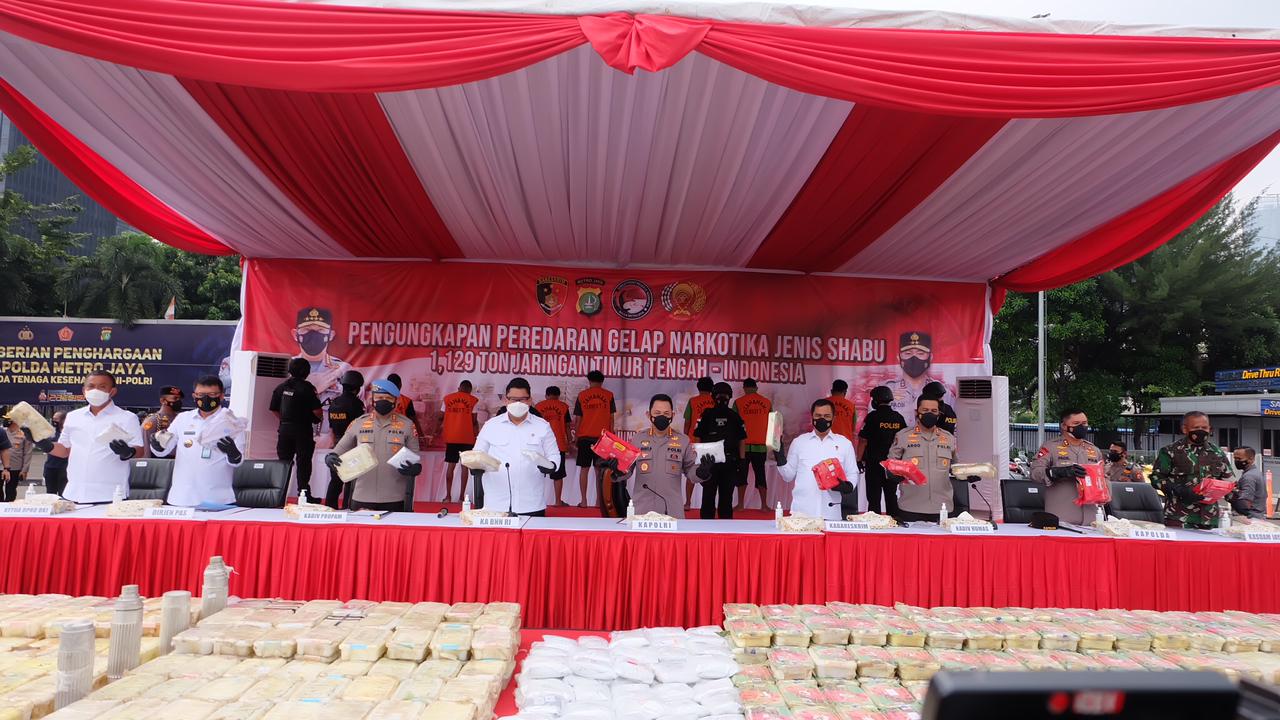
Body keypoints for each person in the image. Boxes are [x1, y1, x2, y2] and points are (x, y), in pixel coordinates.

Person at [38, 371, 143, 503]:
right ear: (84, 390)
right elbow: (65, 450)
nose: (95, 390)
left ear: (112, 391)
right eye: (91, 386)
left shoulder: (127, 418)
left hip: (110, 494)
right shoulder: (73, 417)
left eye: (102, 387)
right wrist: (45, 444)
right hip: (74, 493)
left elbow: (140, 451)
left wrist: (128, 452)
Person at [325, 379, 423, 512]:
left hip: (394, 497)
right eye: (379, 398)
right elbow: (339, 449)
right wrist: (330, 457)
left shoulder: (407, 425)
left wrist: (416, 468)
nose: (383, 401)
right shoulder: (359, 423)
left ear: (396, 401)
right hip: (362, 495)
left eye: (388, 398)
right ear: (372, 400)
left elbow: (415, 456)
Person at [149, 375, 244, 507]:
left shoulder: (232, 422)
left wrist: (233, 453)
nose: (206, 398)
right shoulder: (183, 419)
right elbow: (164, 449)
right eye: (201, 395)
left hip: (217, 498)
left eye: (212, 394)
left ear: (221, 396)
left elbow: (238, 461)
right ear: (194, 396)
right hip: (182, 498)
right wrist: (157, 446)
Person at [469, 378, 559, 516]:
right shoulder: (491, 426)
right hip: (496, 503)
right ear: (506, 400)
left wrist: (551, 466)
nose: (517, 403)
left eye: (522, 399)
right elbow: (478, 453)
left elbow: (554, 455)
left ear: (530, 400)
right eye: (513, 399)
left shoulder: (542, 426)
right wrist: (476, 466)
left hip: (531, 503)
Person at [610, 394, 699, 516]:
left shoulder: (683, 441)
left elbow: (691, 472)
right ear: (648, 415)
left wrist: (701, 472)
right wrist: (618, 470)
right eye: (657, 413)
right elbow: (627, 470)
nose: (661, 417)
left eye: (666, 413)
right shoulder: (637, 439)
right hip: (642, 512)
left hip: (672, 512)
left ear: (672, 415)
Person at [1151, 411, 1235, 529]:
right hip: (1178, 516)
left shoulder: (1217, 453)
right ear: (1185, 429)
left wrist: (1239, 502)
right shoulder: (1170, 451)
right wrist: (1179, 490)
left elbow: (1229, 482)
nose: (1201, 431)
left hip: (1209, 518)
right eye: (1196, 427)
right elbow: (1156, 478)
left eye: (1204, 428)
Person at [777, 398, 859, 520]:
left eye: (827, 416)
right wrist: (779, 455)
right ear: (812, 417)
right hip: (802, 513)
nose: (822, 419)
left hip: (831, 513)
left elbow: (852, 473)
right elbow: (788, 475)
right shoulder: (799, 442)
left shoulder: (844, 444)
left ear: (833, 418)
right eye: (818, 415)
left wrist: (848, 486)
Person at [887, 397, 958, 522]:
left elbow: (956, 467)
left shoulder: (948, 438)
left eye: (934, 411)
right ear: (917, 412)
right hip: (910, 507)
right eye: (925, 410)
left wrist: (968, 474)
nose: (929, 414)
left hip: (942, 508)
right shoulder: (903, 436)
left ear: (939, 414)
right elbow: (890, 464)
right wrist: (892, 473)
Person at [1029, 408, 1104, 526]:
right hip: (1062, 515)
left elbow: (1104, 478)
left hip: (1091, 518)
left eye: (1084, 423)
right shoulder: (1050, 447)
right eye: (1076, 423)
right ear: (1064, 426)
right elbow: (1035, 473)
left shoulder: (1094, 450)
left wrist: (1105, 494)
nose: (1082, 427)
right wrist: (1057, 472)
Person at [693, 382, 747, 519]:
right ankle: (706, 526)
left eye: (725, 396)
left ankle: (726, 527)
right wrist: (698, 458)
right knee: (708, 497)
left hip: (730, 463)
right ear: (713, 397)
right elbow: (697, 436)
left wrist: (742, 460)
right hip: (709, 463)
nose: (722, 399)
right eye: (719, 396)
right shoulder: (706, 414)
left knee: (726, 499)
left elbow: (742, 439)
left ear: (730, 397)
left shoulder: (735, 416)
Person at [270, 357, 322, 498]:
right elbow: (317, 411)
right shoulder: (308, 388)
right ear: (307, 372)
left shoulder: (281, 387)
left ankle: (279, 494)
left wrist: (285, 420)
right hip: (303, 430)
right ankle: (303, 495)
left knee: (283, 463)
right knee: (303, 463)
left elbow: (273, 409)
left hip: (284, 430)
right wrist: (316, 418)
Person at [858, 386, 907, 515]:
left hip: (874, 464)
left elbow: (863, 440)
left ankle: (875, 523)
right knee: (891, 496)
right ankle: (895, 522)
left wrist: (858, 460)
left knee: (873, 497)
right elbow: (905, 441)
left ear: (875, 400)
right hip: (892, 465)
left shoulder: (872, 417)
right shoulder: (898, 418)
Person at [573, 370, 615, 509]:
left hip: (584, 437)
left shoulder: (582, 395)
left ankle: (584, 501)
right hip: (602, 438)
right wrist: (611, 437)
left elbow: (578, 419)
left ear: (589, 381)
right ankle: (598, 502)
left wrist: (576, 437)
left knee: (584, 470)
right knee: (599, 471)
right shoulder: (609, 395)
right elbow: (611, 419)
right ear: (602, 381)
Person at [292, 307, 350, 405]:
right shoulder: (285, 368)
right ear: (295, 334)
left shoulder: (344, 369)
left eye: (320, 330)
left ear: (331, 335)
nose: (313, 335)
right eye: (307, 329)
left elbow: (355, 403)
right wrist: (312, 388)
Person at [324, 370, 365, 509]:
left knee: (335, 481)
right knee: (351, 481)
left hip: (337, 445)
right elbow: (360, 427)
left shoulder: (334, 403)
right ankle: (348, 509)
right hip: (352, 445)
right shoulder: (357, 404)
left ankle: (330, 508)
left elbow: (331, 427)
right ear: (357, 388)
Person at [733, 379, 772, 511]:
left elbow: (734, 424)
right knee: (761, 475)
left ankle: (740, 505)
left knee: (741, 475)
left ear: (744, 388)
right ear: (756, 388)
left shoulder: (738, 402)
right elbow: (773, 423)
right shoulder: (767, 402)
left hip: (742, 446)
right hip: (760, 446)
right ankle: (764, 505)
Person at [439, 380, 479, 503]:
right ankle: (462, 497)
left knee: (450, 467)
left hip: (452, 438)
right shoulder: (473, 400)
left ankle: (448, 496)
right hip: (467, 438)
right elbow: (474, 421)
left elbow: (440, 417)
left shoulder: (447, 399)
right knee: (464, 468)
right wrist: (477, 434)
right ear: (470, 390)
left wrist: (435, 432)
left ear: (458, 388)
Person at [681, 376, 715, 508]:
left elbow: (687, 422)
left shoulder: (693, 401)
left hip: (694, 441)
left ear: (698, 387)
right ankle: (711, 504)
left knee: (692, 472)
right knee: (711, 472)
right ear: (712, 388)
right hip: (711, 442)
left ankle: (688, 503)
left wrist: (685, 438)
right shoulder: (715, 401)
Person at [535, 386, 572, 507]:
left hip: (540, 445)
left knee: (537, 474)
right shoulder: (564, 407)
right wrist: (570, 441)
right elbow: (567, 427)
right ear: (558, 396)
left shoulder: (538, 406)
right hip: (558, 445)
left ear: (546, 395)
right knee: (558, 475)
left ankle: (537, 501)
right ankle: (558, 501)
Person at [140, 386, 184, 457]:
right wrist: (146, 462)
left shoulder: (182, 418)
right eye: (175, 398)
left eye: (180, 399)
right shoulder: (153, 420)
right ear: (163, 401)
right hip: (161, 460)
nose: (178, 401)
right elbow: (145, 447)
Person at [387, 373, 425, 442]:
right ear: (400, 385)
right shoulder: (406, 401)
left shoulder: (379, 400)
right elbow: (414, 421)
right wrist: (421, 436)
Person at [1232, 447, 1266, 519]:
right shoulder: (1256, 472)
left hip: (1250, 518)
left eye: (1239, 459)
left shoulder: (1249, 476)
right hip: (1258, 516)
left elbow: (1245, 503)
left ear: (1251, 459)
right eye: (1235, 458)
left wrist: (1232, 495)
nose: (1236, 461)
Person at [3, 414, 31, 502]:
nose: (5, 421)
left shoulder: (24, 434)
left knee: (11, 491)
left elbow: (27, 453)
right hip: (1, 466)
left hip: (15, 467)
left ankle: (8, 507)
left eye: (8, 419)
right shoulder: (2, 432)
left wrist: (24, 470)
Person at [41, 411, 68, 496]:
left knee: (63, 493)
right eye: (53, 419)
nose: (54, 421)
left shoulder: (67, 433)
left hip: (64, 467)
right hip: (50, 467)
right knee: (50, 493)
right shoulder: (51, 432)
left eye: (56, 419)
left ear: (64, 420)